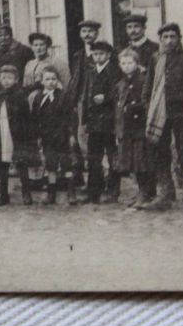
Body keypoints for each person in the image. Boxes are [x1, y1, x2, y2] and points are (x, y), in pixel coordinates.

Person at [143, 22, 183, 211]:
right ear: (160, 40)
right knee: (160, 152)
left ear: (179, 38)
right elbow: (148, 86)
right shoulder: (155, 58)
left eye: (172, 37)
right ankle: (165, 194)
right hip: (159, 113)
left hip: (182, 113)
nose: (168, 40)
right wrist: (147, 108)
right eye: (165, 37)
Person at [76, 40, 121, 204]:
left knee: (112, 157)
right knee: (94, 157)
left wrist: (106, 97)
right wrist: (85, 120)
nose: (98, 57)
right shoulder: (91, 72)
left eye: (101, 53)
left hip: (110, 121)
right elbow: (86, 96)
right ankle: (93, 191)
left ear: (108, 55)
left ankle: (113, 190)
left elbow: (119, 93)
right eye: (95, 54)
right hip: (94, 122)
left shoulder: (115, 71)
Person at [0, 64, 37, 205]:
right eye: (4, 78)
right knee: (3, 164)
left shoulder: (20, 96)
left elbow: (26, 117)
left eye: (10, 78)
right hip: (1, 133)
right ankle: (3, 195)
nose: (6, 81)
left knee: (21, 163)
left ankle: (26, 194)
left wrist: (27, 135)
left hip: (16, 133)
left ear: (16, 80)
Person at [114, 46, 157, 208]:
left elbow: (146, 102)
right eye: (123, 63)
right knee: (133, 163)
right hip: (127, 128)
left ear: (137, 63)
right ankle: (141, 192)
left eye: (130, 62)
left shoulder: (143, 80)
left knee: (142, 162)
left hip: (140, 127)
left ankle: (146, 194)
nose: (126, 66)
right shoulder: (121, 83)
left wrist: (133, 108)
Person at [67, 18, 103, 189]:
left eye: (90, 31)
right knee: (78, 140)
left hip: (97, 104)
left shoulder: (104, 52)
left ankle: (99, 180)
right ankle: (80, 177)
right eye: (84, 31)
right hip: (80, 102)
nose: (87, 34)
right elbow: (75, 79)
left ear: (96, 34)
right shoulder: (78, 55)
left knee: (94, 142)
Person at [30, 68, 76, 205]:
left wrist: (72, 134)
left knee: (66, 164)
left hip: (62, 136)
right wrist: (37, 136)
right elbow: (35, 119)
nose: (51, 82)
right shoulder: (38, 98)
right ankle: (51, 193)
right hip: (47, 137)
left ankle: (71, 192)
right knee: (51, 165)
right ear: (42, 81)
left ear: (58, 81)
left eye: (53, 79)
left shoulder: (64, 96)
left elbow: (72, 117)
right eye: (47, 79)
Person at [0, 22, 34, 87]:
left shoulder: (24, 50)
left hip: (20, 87)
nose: (3, 38)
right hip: (1, 88)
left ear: (11, 36)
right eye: (0, 36)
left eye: (6, 35)